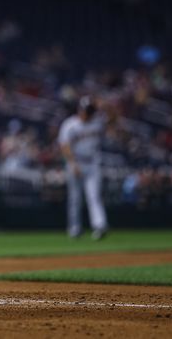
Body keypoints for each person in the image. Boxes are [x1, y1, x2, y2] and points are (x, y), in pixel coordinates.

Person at [57, 96, 110, 240]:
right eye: (86, 110)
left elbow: (114, 120)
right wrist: (73, 164)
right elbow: (65, 146)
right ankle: (75, 228)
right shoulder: (70, 124)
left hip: (93, 163)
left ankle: (100, 226)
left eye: (90, 111)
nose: (88, 113)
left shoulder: (98, 122)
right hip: (76, 162)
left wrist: (105, 105)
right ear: (79, 110)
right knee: (75, 198)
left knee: (94, 196)